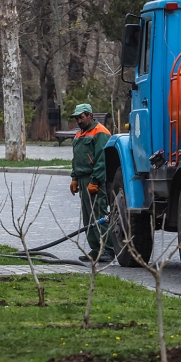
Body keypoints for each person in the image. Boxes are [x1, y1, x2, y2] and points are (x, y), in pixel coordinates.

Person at [69, 103, 114, 263]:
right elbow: (76, 158)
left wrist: (95, 181)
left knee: (99, 215)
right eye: (76, 118)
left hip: (95, 179)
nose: (79, 121)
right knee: (88, 217)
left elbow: (102, 159)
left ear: (90, 115)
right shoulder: (78, 135)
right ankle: (96, 249)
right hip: (82, 179)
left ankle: (108, 249)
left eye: (81, 117)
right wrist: (74, 177)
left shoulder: (100, 132)